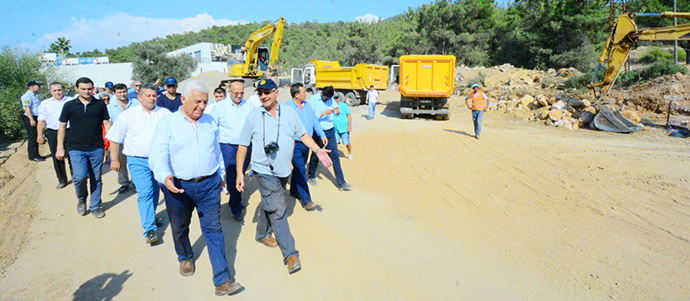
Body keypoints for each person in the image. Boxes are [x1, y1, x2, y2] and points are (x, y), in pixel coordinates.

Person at [149, 81, 242, 295]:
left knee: (214, 230)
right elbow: (157, 155)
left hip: (209, 184)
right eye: (197, 101)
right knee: (180, 226)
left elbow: (216, 151)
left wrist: (219, 174)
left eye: (205, 102)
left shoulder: (210, 122)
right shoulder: (168, 123)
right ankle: (185, 257)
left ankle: (222, 280)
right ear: (183, 99)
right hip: (178, 186)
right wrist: (165, 177)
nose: (201, 106)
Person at [236, 79, 333, 274]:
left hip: (283, 171)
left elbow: (303, 134)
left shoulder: (289, 113)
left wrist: (317, 150)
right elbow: (243, 146)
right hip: (263, 171)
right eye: (260, 93)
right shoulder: (253, 116)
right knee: (279, 209)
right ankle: (290, 253)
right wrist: (239, 172)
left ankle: (262, 233)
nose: (263, 96)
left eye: (267, 92)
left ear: (276, 93)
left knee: (270, 203)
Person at [106, 84, 170, 245]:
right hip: (137, 160)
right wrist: (115, 159)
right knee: (145, 192)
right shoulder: (128, 116)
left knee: (156, 190)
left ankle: (151, 216)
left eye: (154, 95)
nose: (151, 98)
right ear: (139, 97)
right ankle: (149, 229)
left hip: (160, 160)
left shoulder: (164, 114)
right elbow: (114, 138)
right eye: (148, 95)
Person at [56, 77, 111, 219]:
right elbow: (62, 126)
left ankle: (95, 205)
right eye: (83, 89)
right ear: (77, 89)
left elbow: (106, 122)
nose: (87, 91)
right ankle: (81, 199)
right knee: (79, 177)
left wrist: (112, 142)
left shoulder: (99, 104)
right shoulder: (69, 105)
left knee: (96, 178)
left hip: (96, 147)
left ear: (93, 88)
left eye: (89, 89)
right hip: (76, 148)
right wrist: (60, 147)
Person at [210, 81, 254, 220]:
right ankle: (236, 207)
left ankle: (233, 198)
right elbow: (212, 127)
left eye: (242, 93)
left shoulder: (249, 106)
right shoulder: (219, 107)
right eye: (236, 93)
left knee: (241, 172)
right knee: (233, 173)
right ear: (229, 92)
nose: (239, 95)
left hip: (246, 146)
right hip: (228, 146)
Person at [285, 83, 327, 210]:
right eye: (303, 92)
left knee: (299, 168)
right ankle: (307, 200)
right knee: (301, 170)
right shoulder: (287, 107)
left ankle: (293, 190)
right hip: (294, 144)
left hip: (307, 144)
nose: (306, 93)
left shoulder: (307, 106)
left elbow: (314, 121)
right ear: (296, 95)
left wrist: (322, 135)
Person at [307, 86, 353, 191]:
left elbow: (337, 113)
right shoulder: (314, 99)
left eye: (329, 98)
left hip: (330, 131)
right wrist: (324, 113)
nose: (327, 99)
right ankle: (311, 175)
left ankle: (341, 182)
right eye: (325, 97)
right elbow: (311, 115)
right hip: (318, 131)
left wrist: (337, 112)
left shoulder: (331, 99)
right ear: (322, 93)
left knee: (335, 155)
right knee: (316, 154)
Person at [36, 82, 72, 188]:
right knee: (57, 157)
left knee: (73, 155)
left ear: (64, 90)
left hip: (70, 131)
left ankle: (76, 177)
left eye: (59, 90)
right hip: (53, 132)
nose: (57, 92)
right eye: (54, 90)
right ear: (51, 91)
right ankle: (62, 180)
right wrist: (39, 135)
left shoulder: (71, 101)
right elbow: (41, 121)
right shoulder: (45, 104)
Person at [107, 84, 139, 193]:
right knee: (120, 163)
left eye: (124, 91)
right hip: (119, 140)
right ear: (114, 93)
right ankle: (124, 183)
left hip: (134, 139)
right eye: (119, 92)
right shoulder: (110, 107)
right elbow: (109, 123)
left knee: (135, 162)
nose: (122, 94)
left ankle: (136, 182)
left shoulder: (135, 103)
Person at [21, 80, 44, 161]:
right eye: (38, 86)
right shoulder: (27, 96)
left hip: (35, 117)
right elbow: (27, 108)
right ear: (32, 87)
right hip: (30, 117)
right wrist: (31, 119)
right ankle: (33, 156)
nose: (39, 87)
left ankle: (36, 154)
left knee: (36, 136)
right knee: (33, 137)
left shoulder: (34, 95)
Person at [333, 94, 353, 160]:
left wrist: (349, 126)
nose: (335, 99)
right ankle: (335, 156)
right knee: (336, 143)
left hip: (344, 128)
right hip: (335, 129)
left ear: (338, 98)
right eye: (334, 98)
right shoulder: (331, 106)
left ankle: (350, 152)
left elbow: (349, 115)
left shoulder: (344, 105)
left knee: (346, 142)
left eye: (336, 98)